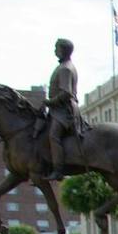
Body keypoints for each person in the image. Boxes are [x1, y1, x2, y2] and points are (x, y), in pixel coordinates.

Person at [44, 38, 85, 181]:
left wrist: (50, 102)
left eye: (57, 48)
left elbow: (66, 92)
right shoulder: (64, 66)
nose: (55, 50)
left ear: (63, 50)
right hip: (58, 109)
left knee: (53, 136)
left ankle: (58, 170)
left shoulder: (66, 68)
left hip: (64, 110)